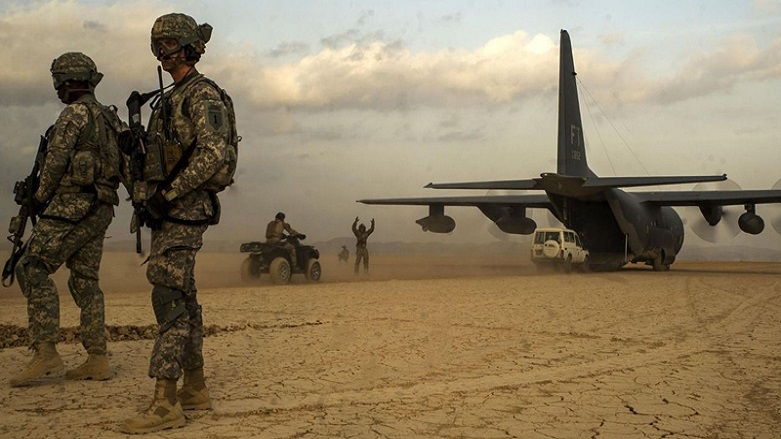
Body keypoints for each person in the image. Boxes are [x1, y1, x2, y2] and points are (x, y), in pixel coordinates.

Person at [121, 13, 237, 434]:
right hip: (168, 213)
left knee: (168, 297)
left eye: (168, 44)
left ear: (189, 48)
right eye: (157, 46)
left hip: (184, 210)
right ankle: (196, 387)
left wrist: (167, 195)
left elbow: (213, 153)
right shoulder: (169, 99)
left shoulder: (202, 94)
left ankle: (165, 401)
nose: (161, 53)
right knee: (183, 298)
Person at [10, 52, 126, 387]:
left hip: (72, 205)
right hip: (101, 207)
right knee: (85, 281)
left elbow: (56, 162)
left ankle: (46, 352)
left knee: (31, 266)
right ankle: (97, 358)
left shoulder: (73, 114)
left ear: (69, 81)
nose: (56, 88)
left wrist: (39, 198)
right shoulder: (110, 118)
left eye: (58, 81)